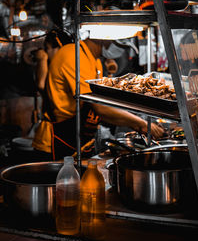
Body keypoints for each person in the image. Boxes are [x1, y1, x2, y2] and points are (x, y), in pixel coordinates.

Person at [32, 35, 164, 161]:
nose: (119, 50)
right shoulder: (73, 55)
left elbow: (100, 103)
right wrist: (140, 124)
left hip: (79, 139)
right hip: (55, 141)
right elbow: (99, 107)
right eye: (115, 44)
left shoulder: (93, 60)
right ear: (103, 39)